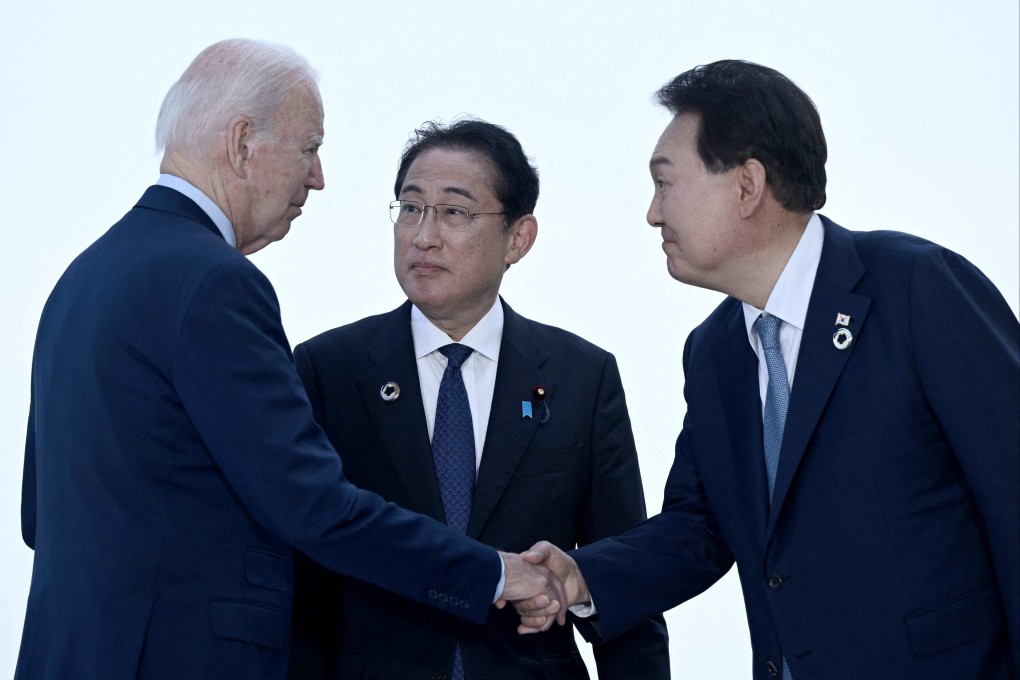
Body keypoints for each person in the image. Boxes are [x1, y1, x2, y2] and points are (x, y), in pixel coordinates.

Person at [16, 39, 564, 680]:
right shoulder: (214, 282)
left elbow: (38, 511)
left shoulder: (85, 276)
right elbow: (311, 506)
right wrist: (494, 572)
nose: (318, 177)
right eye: (309, 148)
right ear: (243, 142)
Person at [517, 60, 1019, 680]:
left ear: (748, 184)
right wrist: (582, 574)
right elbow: (699, 528)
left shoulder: (915, 287)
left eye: (665, 182)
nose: (652, 212)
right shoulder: (713, 352)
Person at [286, 119, 669, 680]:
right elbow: (303, 573)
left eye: (454, 212)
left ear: (519, 238)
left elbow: (622, 578)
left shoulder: (581, 377)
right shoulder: (329, 369)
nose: (423, 236)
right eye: (411, 208)